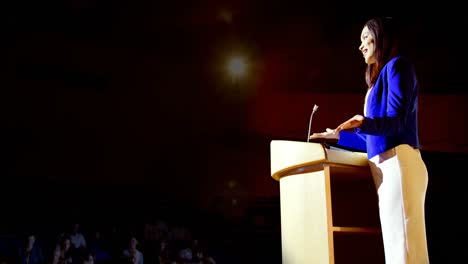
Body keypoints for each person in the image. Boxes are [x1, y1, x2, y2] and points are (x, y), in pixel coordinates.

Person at [310, 17, 429, 263]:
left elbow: (397, 123)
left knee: (404, 249)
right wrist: (338, 136)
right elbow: (373, 139)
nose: (361, 45)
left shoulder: (397, 66)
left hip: (399, 165)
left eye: (366, 37)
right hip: (387, 168)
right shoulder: (375, 82)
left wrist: (363, 122)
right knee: (399, 249)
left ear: (381, 36)